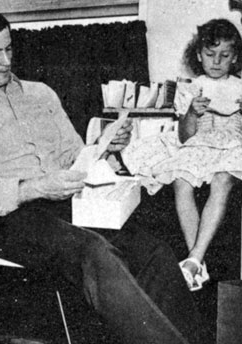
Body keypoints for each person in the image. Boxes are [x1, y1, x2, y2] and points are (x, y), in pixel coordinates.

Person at [0, 7, 203, 344]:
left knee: (153, 251)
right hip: (4, 221)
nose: (6, 61)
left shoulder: (41, 94)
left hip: (66, 205)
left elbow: (75, 156)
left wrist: (106, 147)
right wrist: (32, 188)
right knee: (95, 253)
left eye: (9, 49)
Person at [122, 18, 242, 291]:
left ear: (234, 58)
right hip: (198, 146)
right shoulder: (191, 87)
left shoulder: (240, 86)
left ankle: (195, 257)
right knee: (180, 181)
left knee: (222, 181)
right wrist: (192, 113)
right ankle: (196, 261)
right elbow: (185, 137)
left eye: (224, 56)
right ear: (199, 55)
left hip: (232, 148)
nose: (216, 61)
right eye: (210, 55)